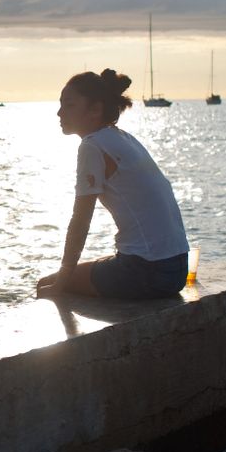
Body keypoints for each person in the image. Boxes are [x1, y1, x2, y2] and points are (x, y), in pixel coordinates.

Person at [35, 69, 189, 301]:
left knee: (47, 284)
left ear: (95, 109)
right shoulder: (123, 138)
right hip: (176, 269)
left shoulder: (92, 146)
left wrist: (62, 280)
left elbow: (81, 220)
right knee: (85, 270)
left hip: (146, 271)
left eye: (69, 105)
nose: (59, 113)